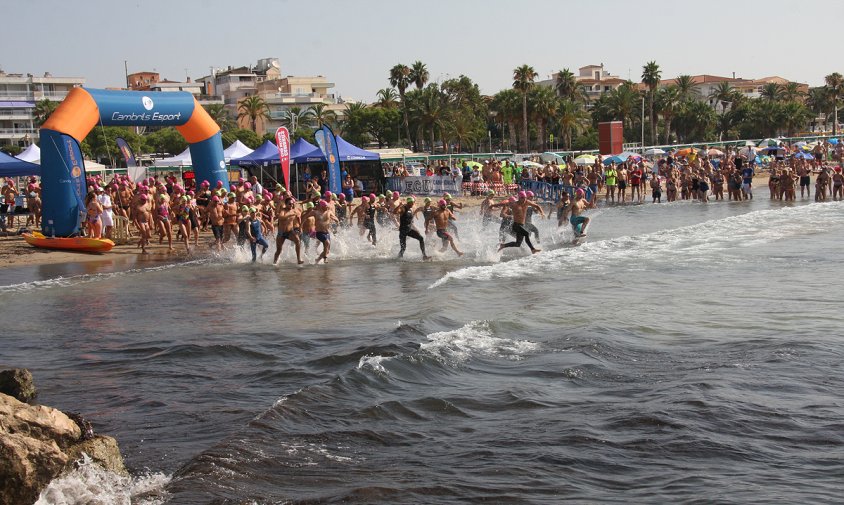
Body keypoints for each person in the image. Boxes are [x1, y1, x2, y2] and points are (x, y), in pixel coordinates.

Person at [273, 196, 304, 265]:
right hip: (281, 233)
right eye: (289, 204)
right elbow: (281, 218)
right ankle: (274, 263)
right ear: (286, 204)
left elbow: (299, 217)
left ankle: (298, 259)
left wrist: (300, 227)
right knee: (279, 250)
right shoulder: (283, 211)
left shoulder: (294, 210)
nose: (291, 205)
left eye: (292, 204)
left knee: (297, 240)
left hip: (290, 231)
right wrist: (289, 214)